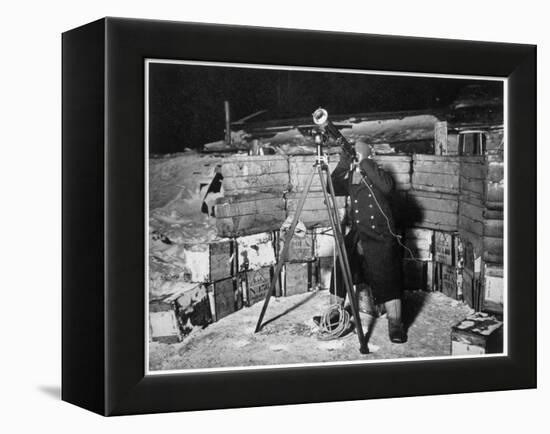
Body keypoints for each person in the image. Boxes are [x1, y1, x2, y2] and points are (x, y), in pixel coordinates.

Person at [329, 141, 407, 343]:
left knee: (387, 275)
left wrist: (365, 162)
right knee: (341, 267)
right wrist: (344, 162)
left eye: (356, 156)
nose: (355, 162)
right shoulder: (353, 176)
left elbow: (388, 188)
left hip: (380, 234)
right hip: (358, 233)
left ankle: (396, 323)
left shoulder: (379, 174)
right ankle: (334, 314)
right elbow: (332, 186)